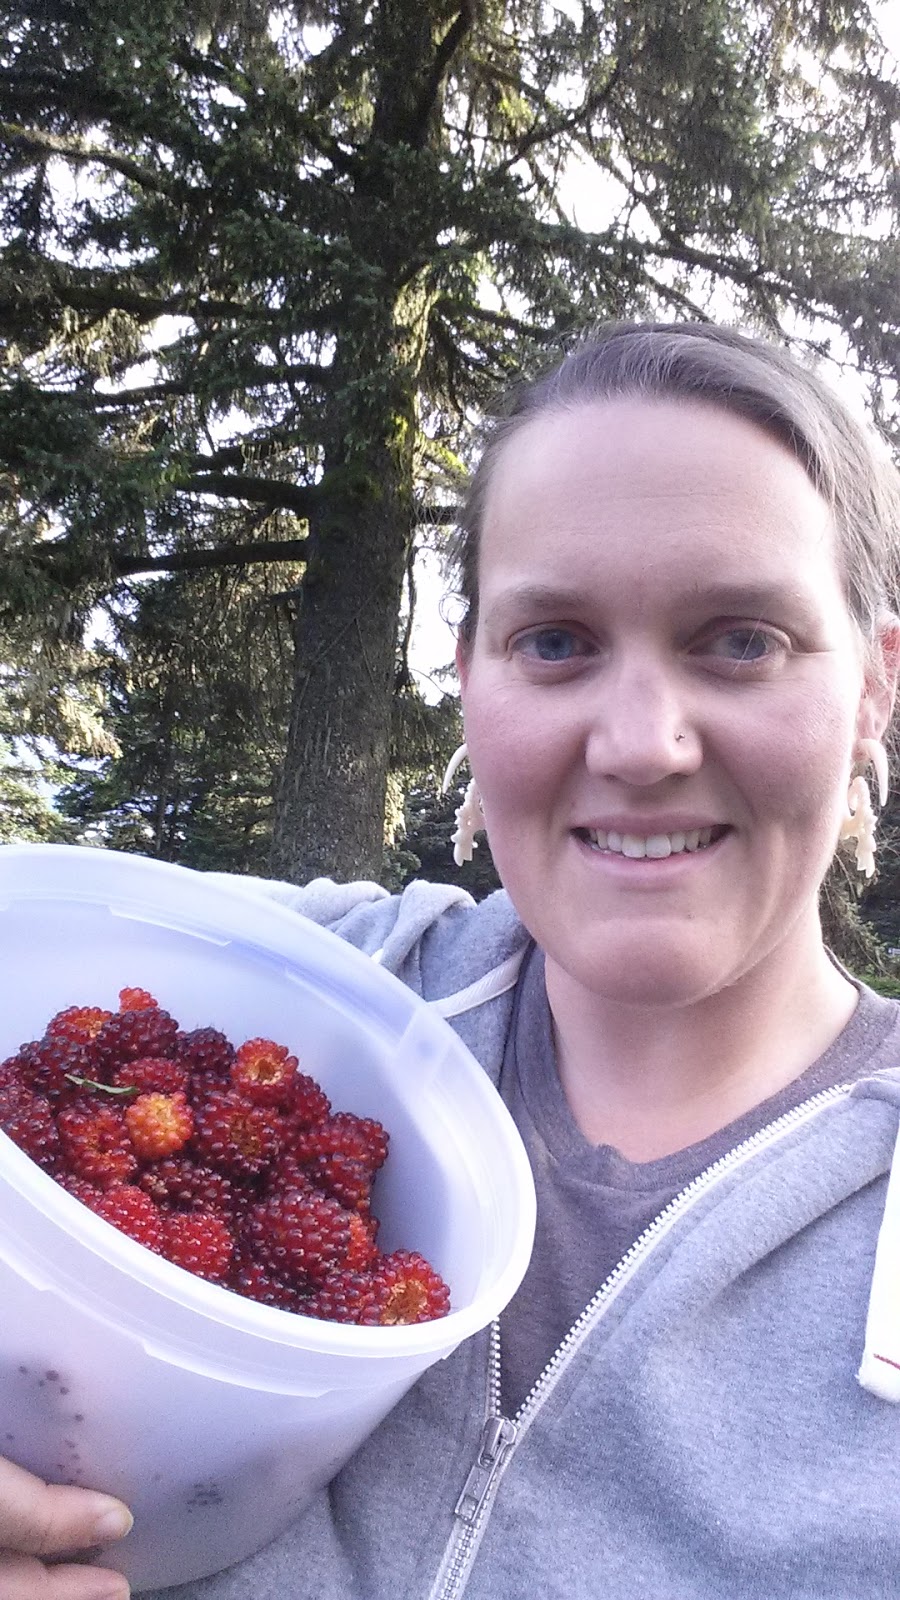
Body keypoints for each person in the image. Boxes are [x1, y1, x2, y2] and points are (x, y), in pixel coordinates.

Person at [5, 319, 900, 1600]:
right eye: (556, 641)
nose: (643, 742)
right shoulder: (301, 990)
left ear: (875, 688)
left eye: (740, 638)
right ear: (472, 680)